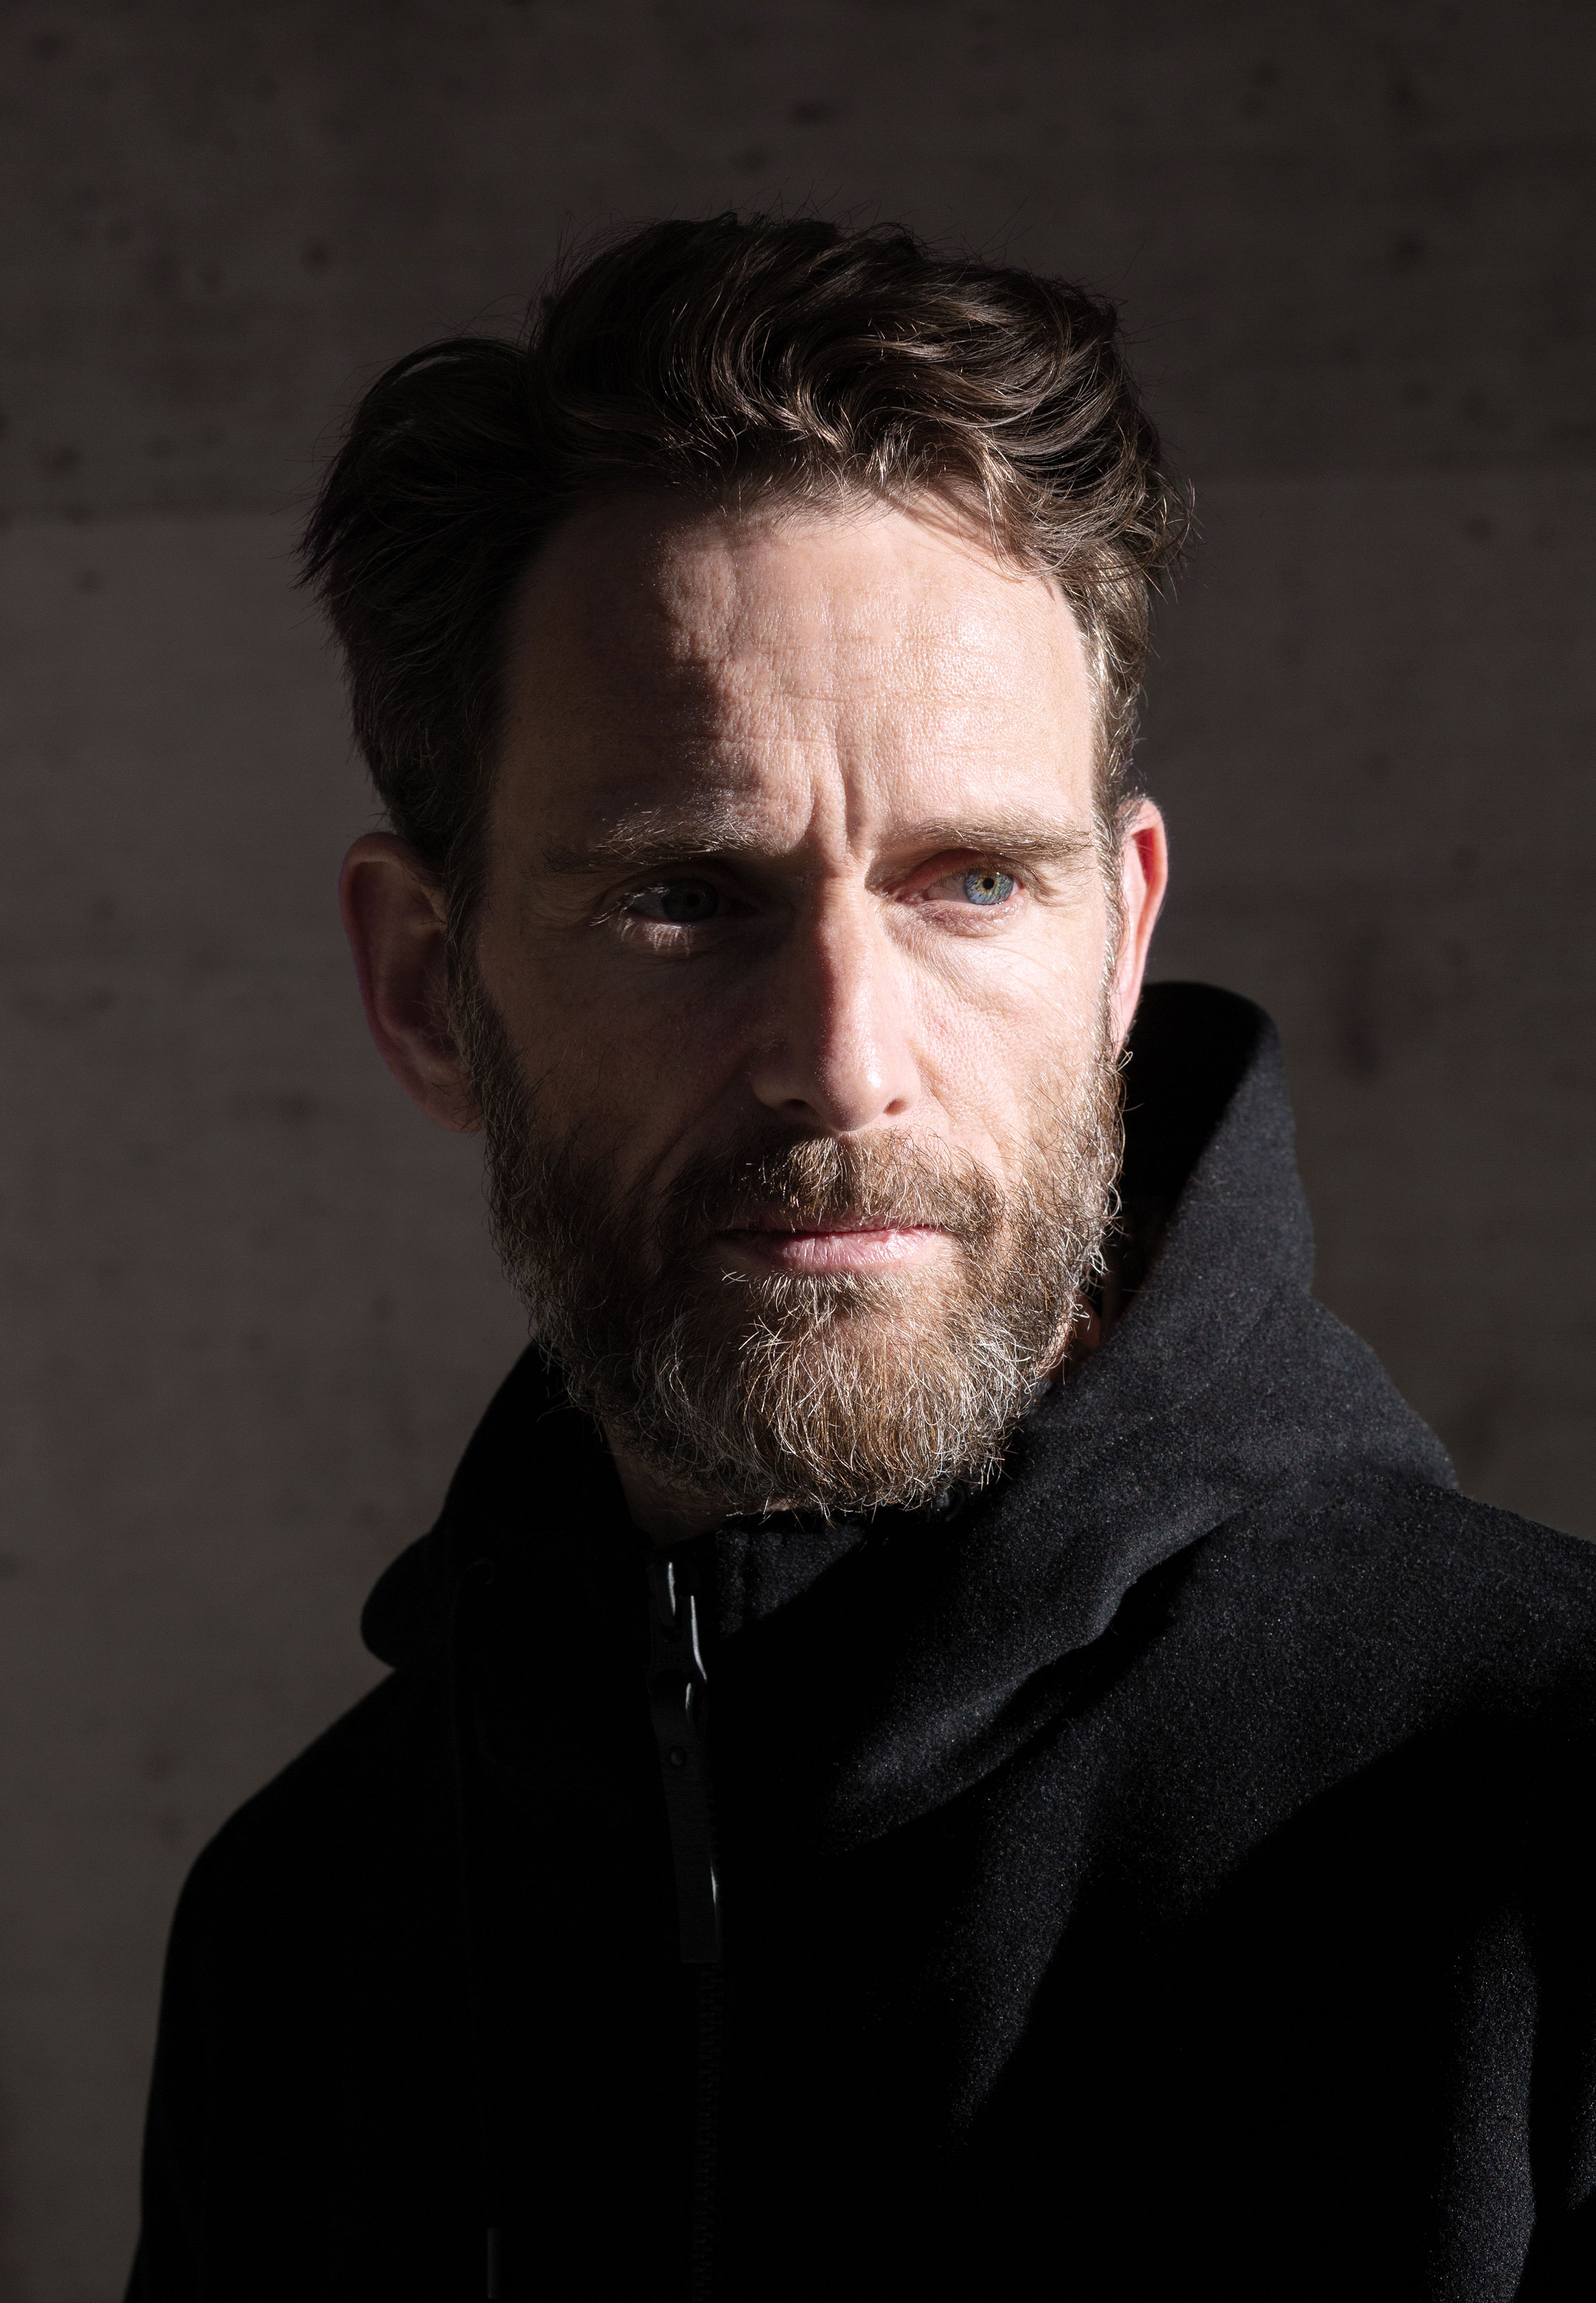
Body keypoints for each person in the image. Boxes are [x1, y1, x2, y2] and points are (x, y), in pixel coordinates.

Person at [127, 216, 1596, 2302]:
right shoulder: (312, 1935)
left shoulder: (1544, 1810)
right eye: (686, 896)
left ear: (1121, 944)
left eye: (971, 883)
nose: (843, 1058)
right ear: (432, 989)